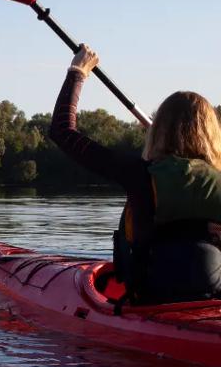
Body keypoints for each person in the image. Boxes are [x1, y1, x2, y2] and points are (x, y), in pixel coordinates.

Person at [49, 44, 221, 304]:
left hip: (150, 298)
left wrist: (78, 71)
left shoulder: (138, 174)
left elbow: (62, 131)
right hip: (213, 296)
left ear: (159, 130)